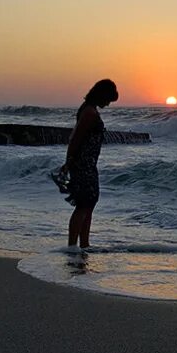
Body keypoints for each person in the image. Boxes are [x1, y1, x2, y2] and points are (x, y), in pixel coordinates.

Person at [60, 79, 118, 248]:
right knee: (84, 204)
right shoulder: (89, 113)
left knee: (89, 204)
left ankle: (84, 244)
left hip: (88, 164)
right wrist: (69, 161)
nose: (108, 104)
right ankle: (72, 246)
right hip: (83, 164)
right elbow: (75, 138)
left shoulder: (88, 109)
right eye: (108, 99)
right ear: (102, 95)